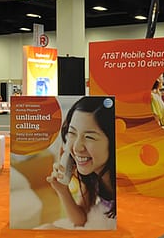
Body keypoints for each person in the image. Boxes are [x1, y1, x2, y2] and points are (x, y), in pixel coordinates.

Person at [45, 97, 116, 230]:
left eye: (89, 137)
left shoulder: (124, 181)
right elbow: (80, 220)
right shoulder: (92, 175)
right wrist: (62, 190)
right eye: (72, 133)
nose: (77, 148)